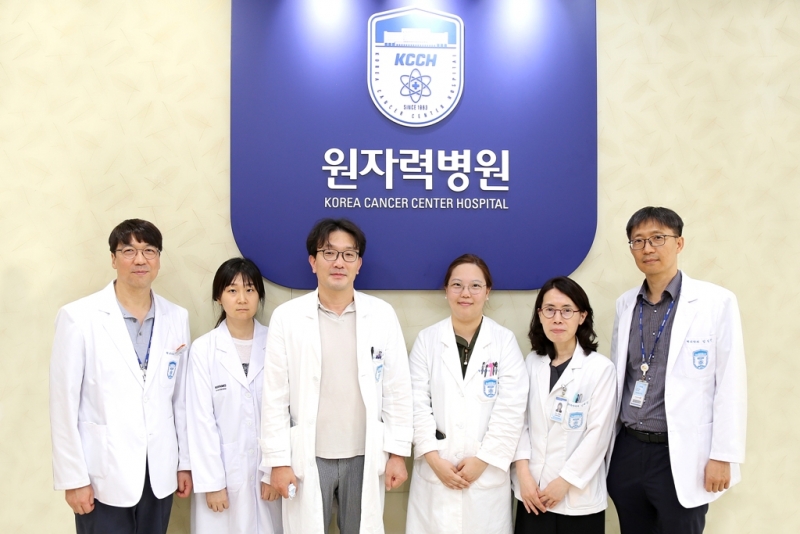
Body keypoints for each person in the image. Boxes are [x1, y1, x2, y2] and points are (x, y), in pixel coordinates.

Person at [259, 218, 413, 534]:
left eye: (348, 254)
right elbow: (274, 395)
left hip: (364, 454)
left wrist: (398, 454)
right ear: (313, 262)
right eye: (329, 253)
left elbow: (397, 389)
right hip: (309, 455)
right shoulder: (287, 318)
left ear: (359, 264)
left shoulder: (381, 315)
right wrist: (278, 461)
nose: (339, 262)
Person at [606, 207, 747, 534]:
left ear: (679, 243)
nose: (648, 248)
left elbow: (731, 384)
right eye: (638, 241)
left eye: (658, 238)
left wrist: (723, 455)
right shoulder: (626, 304)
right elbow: (620, 377)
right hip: (629, 449)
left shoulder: (716, 302)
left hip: (682, 452)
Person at [49, 219, 192, 534]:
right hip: (103, 475)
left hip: (159, 473)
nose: (140, 259)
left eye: (149, 251)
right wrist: (73, 479)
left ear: (158, 259)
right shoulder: (78, 318)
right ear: (113, 259)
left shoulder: (176, 317)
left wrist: (184, 463)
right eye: (129, 251)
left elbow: (181, 400)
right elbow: (63, 406)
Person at [406, 254, 528, 534]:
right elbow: (415, 403)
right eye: (457, 285)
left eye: (475, 286)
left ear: (487, 291)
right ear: (446, 290)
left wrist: (483, 460)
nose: (465, 293)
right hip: (436, 471)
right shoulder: (427, 340)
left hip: (486, 476)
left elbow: (512, 408)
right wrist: (434, 460)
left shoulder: (504, 341)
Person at [511, 276, 616, 534]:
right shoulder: (531, 362)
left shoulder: (600, 369)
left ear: (582, 316)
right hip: (532, 494)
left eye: (567, 310)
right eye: (550, 310)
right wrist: (523, 476)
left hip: (577, 498)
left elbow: (598, 435)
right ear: (540, 315)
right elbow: (518, 422)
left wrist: (564, 482)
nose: (557, 319)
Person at [187, 258, 283, 534]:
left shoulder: (276, 343)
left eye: (250, 290)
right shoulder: (203, 350)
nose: (242, 298)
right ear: (219, 297)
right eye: (232, 290)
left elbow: (285, 413)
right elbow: (200, 421)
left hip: (268, 478)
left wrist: (272, 470)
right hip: (223, 478)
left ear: (259, 295)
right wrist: (212, 483)